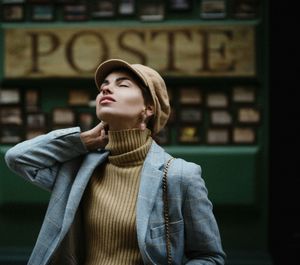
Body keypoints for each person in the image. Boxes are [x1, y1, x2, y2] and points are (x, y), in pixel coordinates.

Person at [5, 59, 226, 265]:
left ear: (149, 108)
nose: (105, 89)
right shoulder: (80, 168)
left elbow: (209, 256)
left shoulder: (180, 175)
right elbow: (17, 158)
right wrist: (82, 140)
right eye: (104, 85)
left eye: (123, 85)